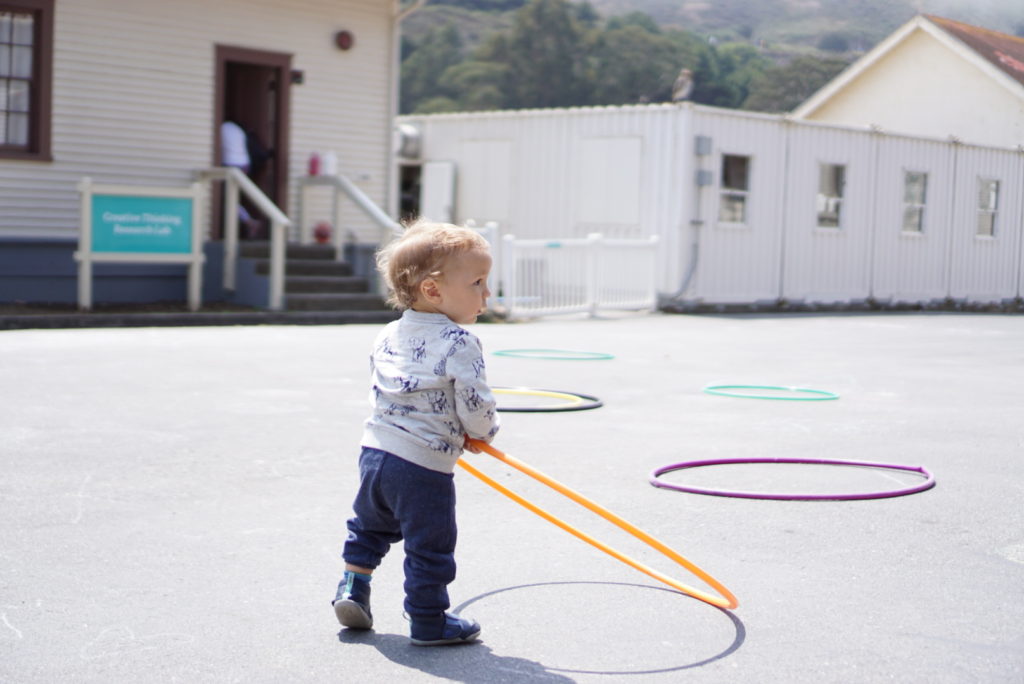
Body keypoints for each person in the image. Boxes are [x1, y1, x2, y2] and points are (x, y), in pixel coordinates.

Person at [333, 219, 500, 646]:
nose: (487, 295)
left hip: (375, 452)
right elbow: (475, 403)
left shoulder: (388, 332)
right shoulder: (459, 341)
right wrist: (483, 433)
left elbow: (383, 385)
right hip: (423, 464)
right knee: (431, 544)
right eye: (478, 283)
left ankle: (353, 587)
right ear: (432, 290)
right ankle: (428, 619)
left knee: (369, 526)